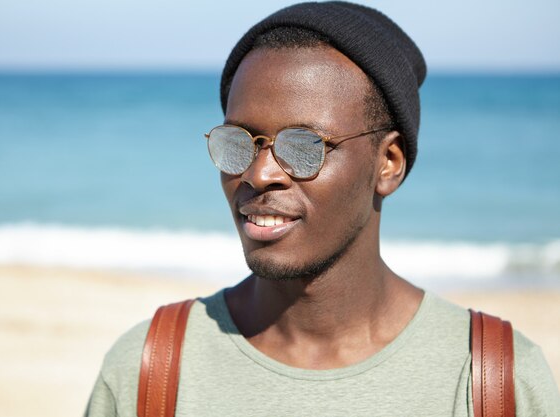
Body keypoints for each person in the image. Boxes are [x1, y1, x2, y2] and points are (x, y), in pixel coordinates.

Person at [85, 2, 560, 416]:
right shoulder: (152, 371)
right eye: (239, 142)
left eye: (304, 146)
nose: (259, 173)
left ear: (388, 164)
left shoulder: (493, 382)